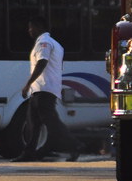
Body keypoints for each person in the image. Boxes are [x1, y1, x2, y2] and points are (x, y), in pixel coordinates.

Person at [12, 16, 82, 162]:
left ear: (38, 27)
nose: (29, 31)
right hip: (42, 89)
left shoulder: (44, 42)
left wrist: (28, 84)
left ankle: (74, 145)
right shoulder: (54, 43)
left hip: (44, 89)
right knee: (33, 122)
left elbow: (42, 62)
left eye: (31, 27)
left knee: (51, 123)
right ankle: (29, 153)